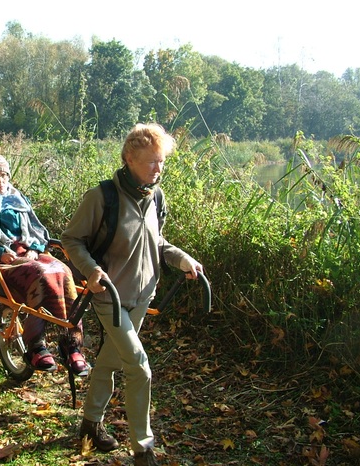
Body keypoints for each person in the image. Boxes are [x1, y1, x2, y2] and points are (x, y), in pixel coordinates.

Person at [61, 123, 204, 466]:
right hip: (109, 296)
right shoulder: (102, 197)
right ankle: (143, 448)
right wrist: (92, 269)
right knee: (139, 367)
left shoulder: (156, 197)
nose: (159, 168)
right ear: (129, 159)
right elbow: (71, 239)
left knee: (110, 361)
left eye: (162, 161)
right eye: (152, 161)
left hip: (143, 296)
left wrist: (180, 258)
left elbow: (156, 242)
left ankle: (90, 425)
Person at [0, 152, 88, 374]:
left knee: (63, 270)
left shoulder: (18, 199)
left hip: (29, 252)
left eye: (4, 175)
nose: (0, 181)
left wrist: (34, 249)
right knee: (39, 274)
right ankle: (36, 345)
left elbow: (37, 231)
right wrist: (0, 252)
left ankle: (71, 343)